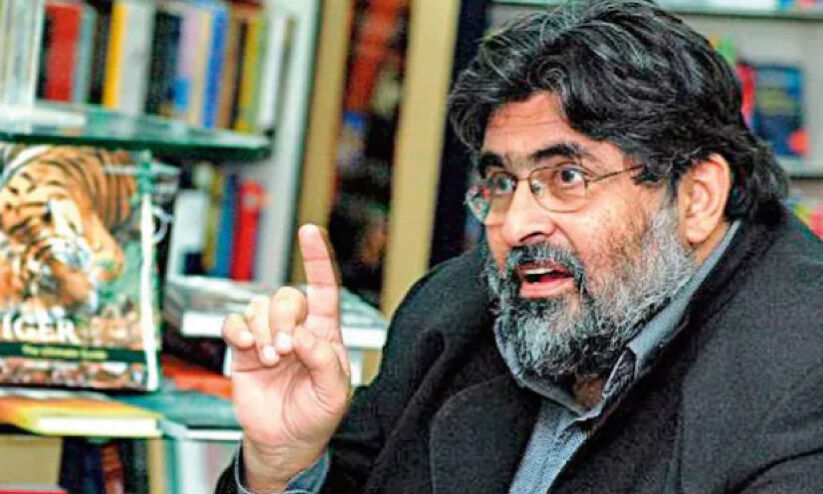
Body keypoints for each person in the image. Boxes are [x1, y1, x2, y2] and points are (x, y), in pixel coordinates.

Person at [216, 1, 823, 493]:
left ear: (697, 197)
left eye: (567, 177)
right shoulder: (451, 311)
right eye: (502, 183)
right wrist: (285, 465)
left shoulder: (803, 382)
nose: (515, 226)